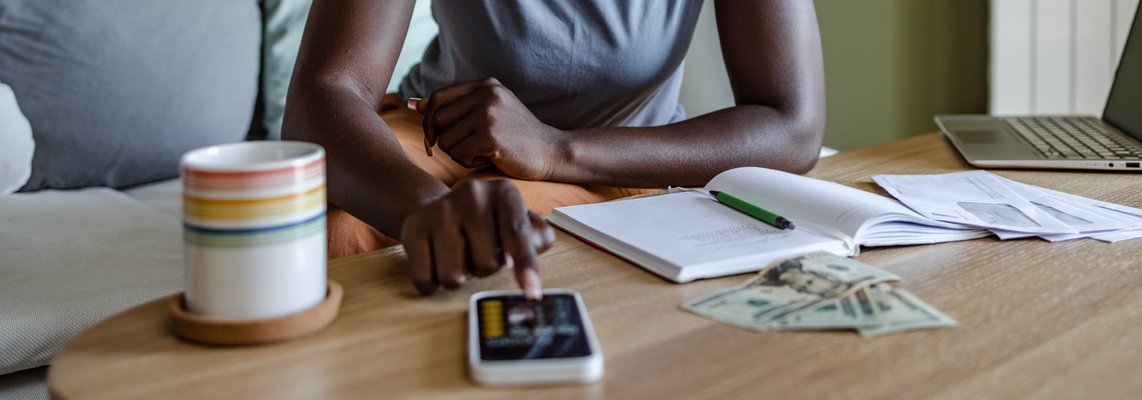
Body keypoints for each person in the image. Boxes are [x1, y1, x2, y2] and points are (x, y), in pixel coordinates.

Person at [282, 0, 826, 299]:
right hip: (437, 133)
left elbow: (792, 125)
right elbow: (327, 90)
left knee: (512, 245)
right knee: (333, 230)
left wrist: (557, 149)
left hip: (615, 158)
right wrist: (423, 207)